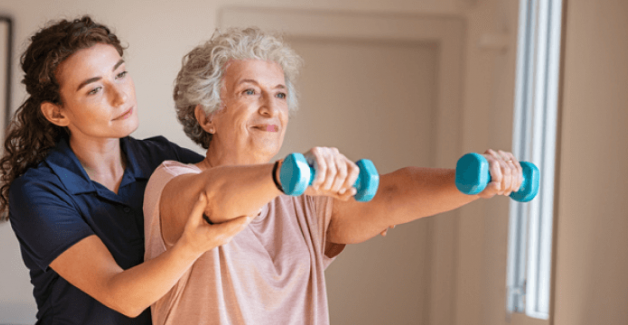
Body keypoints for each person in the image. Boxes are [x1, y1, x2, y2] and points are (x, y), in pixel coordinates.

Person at [142, 27, 525, 325]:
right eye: (249, 92)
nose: (270, 108)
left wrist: (474, 183)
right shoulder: (172, 181)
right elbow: (214, 199)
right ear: (206, 115)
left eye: (278, 95)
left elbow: (392, 194)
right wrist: (288, 175)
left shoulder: (304, 197)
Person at [0, 16, 249, 324]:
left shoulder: (163, 159)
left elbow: (229, 187)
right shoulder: (39, 191)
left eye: (121, 74)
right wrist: (191, 247)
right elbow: (120, 296)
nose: (121, 96)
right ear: (57, 113)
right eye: (95, 90)